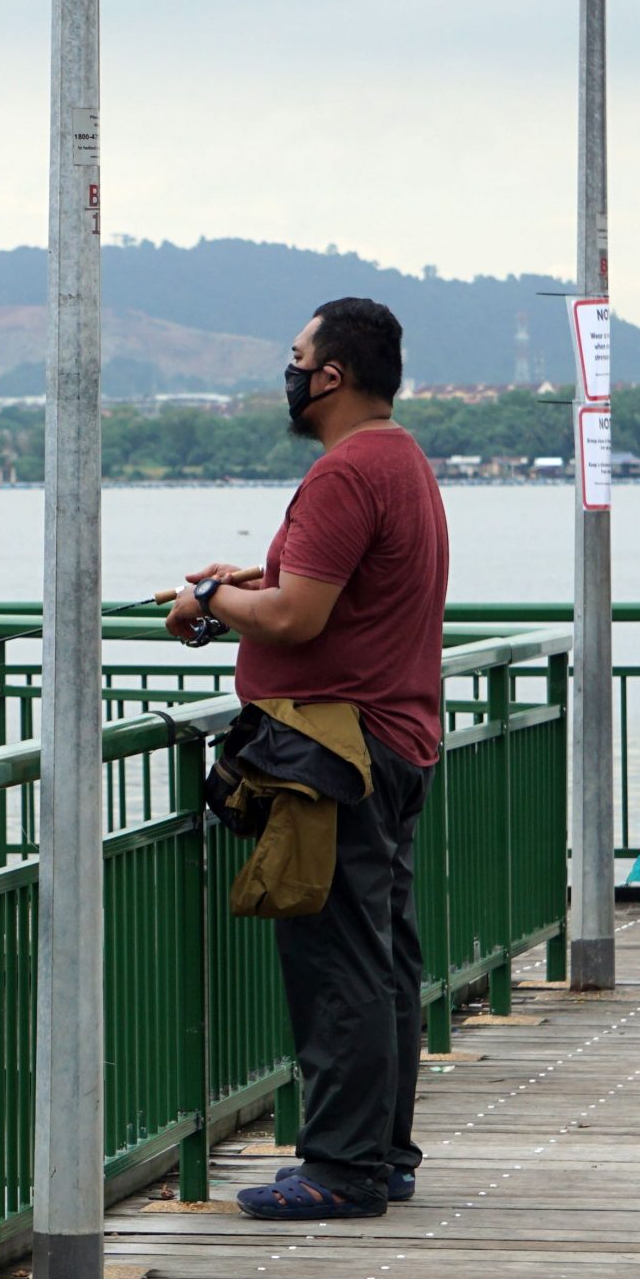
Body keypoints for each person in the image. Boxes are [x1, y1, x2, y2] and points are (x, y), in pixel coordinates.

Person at [166, 298, 450, 1221]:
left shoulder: (344, 473)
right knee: (382, 960)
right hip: (393, 740)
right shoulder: (400, 460)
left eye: (295, 357)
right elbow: (316, 594)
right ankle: (382, 1153)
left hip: (340, 751)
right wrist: (245, 588)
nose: (286, 371)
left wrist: (209, 600)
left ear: (329, 376)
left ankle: (341, 1167)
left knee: (337, 963)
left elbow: (297, 617)